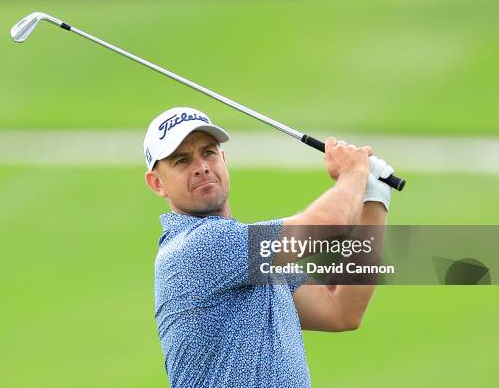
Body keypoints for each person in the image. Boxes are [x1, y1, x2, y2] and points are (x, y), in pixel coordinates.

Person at [143, 106, 393, 388]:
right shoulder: (200, 247)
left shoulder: (249, 257)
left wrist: (374, 201)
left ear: (223, 159)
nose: (201, 166)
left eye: (209, 152)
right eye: (181, 161)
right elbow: (330, 224)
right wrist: (354, 172)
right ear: (157, 183)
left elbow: (341, 310)